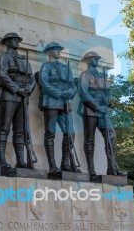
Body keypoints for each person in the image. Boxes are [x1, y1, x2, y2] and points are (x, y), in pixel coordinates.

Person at [79, 51, 126, 176]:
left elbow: (109, 93)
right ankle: (91, 169)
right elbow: (84, 93)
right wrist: (98, 106)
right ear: (88, 60)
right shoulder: (85, 75)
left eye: (97, 58)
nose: (97, 60)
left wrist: (108, 102)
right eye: (94, 58)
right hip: (91, 110)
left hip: (103, 111)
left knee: (111, 135)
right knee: (89, 139)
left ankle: (112, 167)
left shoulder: (102, 76)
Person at [0, 32, 36, 168]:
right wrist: (17, 89)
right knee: (4, 128)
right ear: (7, 42)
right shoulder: (4, 57)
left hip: (23, 96)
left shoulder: (24, 59)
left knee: (20, 130)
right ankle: (1, 160)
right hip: (9, 94)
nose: (17, 42)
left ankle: (21, 161)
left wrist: (28, 89)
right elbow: (2, 75)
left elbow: (32, 78)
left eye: (18, 40)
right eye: (14, 40)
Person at [39, 42, 80, 173]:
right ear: (49, 52)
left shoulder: (65, 67)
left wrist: (70, 92)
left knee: (70, 132)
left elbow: (73, 85)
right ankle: (52, 165)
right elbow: (44, 83)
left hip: (64, 102)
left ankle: (65, 163)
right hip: (51, 101)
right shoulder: (46, 66)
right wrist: (59, 93)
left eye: (58, 49)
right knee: (50, 133)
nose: (58, 51)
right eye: (55, 49)